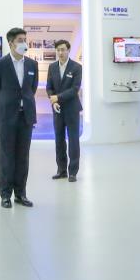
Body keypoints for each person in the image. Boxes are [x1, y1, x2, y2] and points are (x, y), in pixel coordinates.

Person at [0, 27, 39, 208]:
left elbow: (32, 89)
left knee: (23, 156)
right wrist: (5, 105)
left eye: (25, 39)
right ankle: (5, 194)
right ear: (11, 43)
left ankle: (20, 193)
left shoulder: (32, 65)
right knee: (6, 156)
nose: (24, 43)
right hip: (6, 117)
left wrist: (24, 103)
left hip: (26, 117)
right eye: (20, 40)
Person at [48, 39, 82, 181]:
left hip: (72, 109)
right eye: (58, 50)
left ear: (68, 50)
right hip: (57, 109)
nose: (60, 52)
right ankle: (61, 170)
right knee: (59, 140)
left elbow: (75, 89)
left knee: (73, 140)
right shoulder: (52, 67)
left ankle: (72, 172)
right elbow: (49, 87)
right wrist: (53, 101)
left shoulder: (76, 67)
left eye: (63, 49)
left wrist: (58, 97)